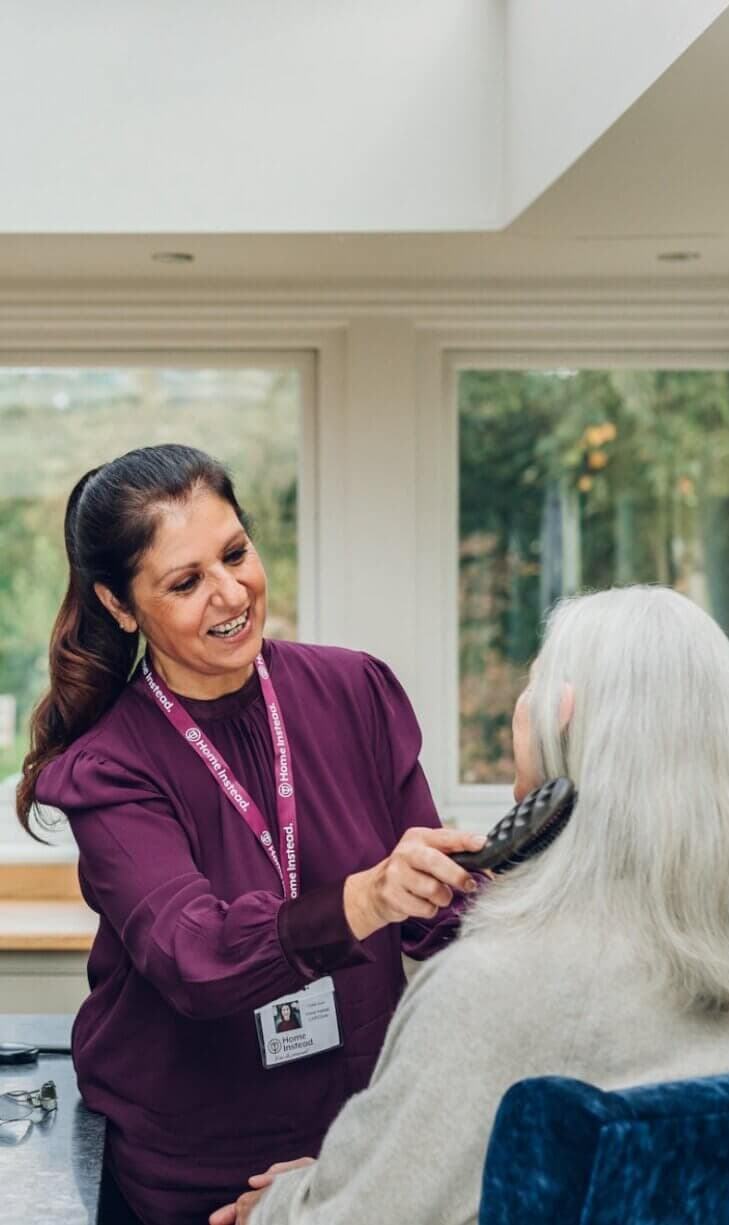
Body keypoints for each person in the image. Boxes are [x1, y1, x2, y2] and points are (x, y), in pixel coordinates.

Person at [212, 585, 729, 1225]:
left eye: (531, 685)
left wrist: (278, 1206)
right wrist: (340, 1177)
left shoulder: (492, 986)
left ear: (562, 714)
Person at [16, 444, 485, 1225]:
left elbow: (438, 915)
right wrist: (365, 898)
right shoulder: (110, 767)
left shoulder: (354, 691)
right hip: (192, 1177)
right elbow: (194, 956)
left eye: (235, 553)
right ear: (121, 605)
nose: (230, 592)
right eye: (186, 581)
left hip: (350, 1157)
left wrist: (509, 882)